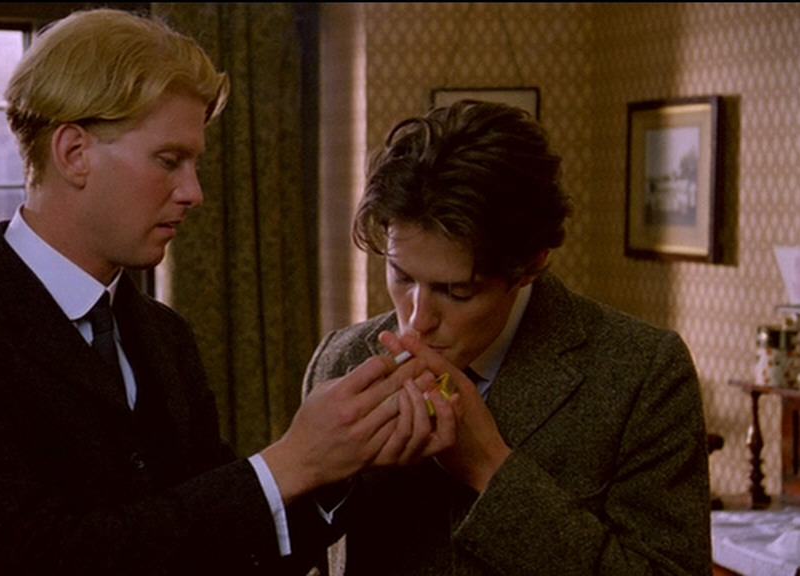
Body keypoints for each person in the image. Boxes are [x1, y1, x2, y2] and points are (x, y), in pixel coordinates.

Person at [0, 8, 455, 575]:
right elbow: (38, 561)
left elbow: (230, 550)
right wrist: (291, 462)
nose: (194, 192)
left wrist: (343, 463)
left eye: (194, 163)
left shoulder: (164, 335)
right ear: (74, 153)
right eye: (169, 160)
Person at [301, 100, 712, 575]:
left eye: (456, 291)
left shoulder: (643, 374)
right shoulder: (341, 359)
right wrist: (325, 473)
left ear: (531, 265)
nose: (417, 320)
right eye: (402, 276)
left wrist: (491, 469)